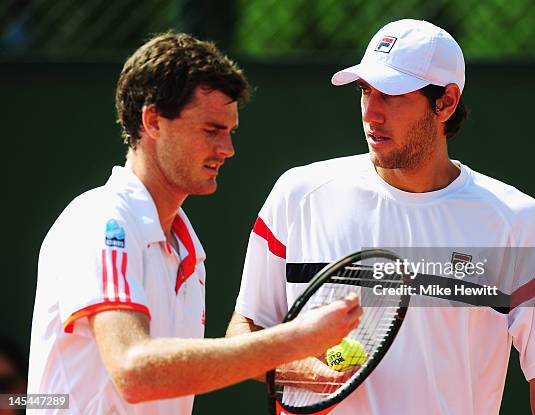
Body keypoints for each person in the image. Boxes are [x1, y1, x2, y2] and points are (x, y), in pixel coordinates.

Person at [226, 19, 535, 414]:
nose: (371, 113)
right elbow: (244, 332)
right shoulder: (297, 194)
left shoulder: (520, 221)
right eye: (364, 91)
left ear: (445, 102)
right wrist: (310, 371)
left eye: (391, 95)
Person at [27, 32, 363, 415]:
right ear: (153, 121)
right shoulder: (102, 221)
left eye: (230, 131)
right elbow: (134, 369)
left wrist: (304, 361)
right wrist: (293, 340)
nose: (227, 149)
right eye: (211, 130)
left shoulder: (189, 249)